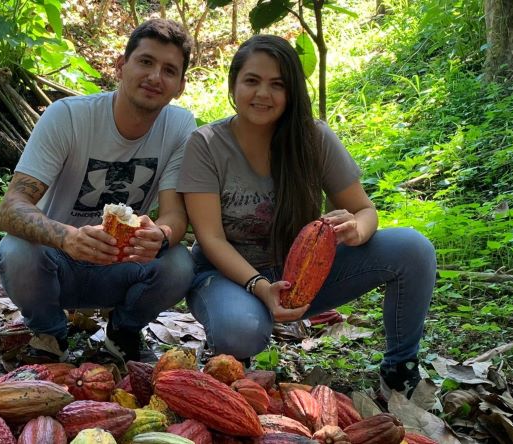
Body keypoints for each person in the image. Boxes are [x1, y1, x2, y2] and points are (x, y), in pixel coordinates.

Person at [177, 35, 436, 398]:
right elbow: (211, 238)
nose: (262, 94)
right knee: (241, 330)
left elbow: (365, 209)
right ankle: (233, 356)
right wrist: (261, 288)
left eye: (277, 84)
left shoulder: (312, 137)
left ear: (292, 91)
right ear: (234, 83)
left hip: (300, 272)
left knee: (413, 248)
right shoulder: (206, 144)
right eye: (252, 81)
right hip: (227, 276)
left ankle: (400, 368)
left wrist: (357, 230)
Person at [0, 19, 196, 364]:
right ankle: (49, 334)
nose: (154, 77)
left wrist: (160, 235)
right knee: (16, 252)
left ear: (179, 85)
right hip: (57, 263)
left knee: (178, 261)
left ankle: (123, 332)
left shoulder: (179, 126)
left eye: (169, 70)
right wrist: (68, 237)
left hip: (124, 263)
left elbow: (175, 214)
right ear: (121, 65)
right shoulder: (68, 117)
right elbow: (11, 207)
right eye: (145, 62)